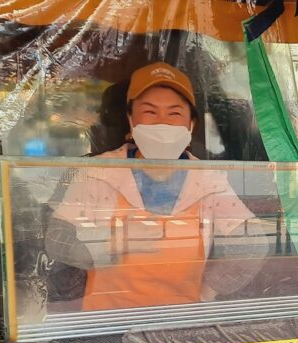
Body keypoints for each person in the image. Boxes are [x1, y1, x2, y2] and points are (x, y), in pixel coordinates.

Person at [46, 62, 267, 311]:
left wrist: (208, 292)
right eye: (150, 112)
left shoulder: (208, 178)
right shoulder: (98, 172)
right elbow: (57, 239)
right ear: (131, 120)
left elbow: (252, 243)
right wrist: (111, 245)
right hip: (109, 318)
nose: (163, 123)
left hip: (182, 318)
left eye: (174, 113)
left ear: (191, 124)